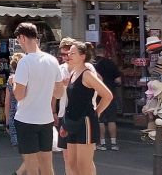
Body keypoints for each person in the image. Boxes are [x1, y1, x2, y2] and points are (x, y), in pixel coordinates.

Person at [12, 23, 64, 175]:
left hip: (26, 119)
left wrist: (15, 82)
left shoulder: (25, 62)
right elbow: (60, 93)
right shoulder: (52, 60)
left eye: (18, 39)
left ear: (22, 38)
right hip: (45, 119)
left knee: (31, 166)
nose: (19, 43)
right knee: (47, 165)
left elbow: (19, 95)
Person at [62, 40, 112, 175]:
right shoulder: (73, 73)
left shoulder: (87, 74)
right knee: (71, 163)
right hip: (72, 122)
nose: (69, 55)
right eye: (68, 53)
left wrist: (96, 113)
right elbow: (71, 101)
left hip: (86, 122)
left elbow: (107, 95)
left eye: (73, 53)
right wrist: (65, 125)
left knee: (84, 165)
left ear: (83, 56)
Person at [92, 46, 121, 150]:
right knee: (111, 119)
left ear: (95, 52)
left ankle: (102, 143)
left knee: (100, 120)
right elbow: (118, 80)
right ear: (105, 52)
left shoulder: (92, 65)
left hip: (98, 95)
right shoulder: (111, 63)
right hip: (110, 94)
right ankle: (114, 143)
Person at [4, 53, 25, 150]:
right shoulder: (28, 79)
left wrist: (7, 121)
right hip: (28, 117)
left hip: (14, 116)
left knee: (20, 150)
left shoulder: (10, 80)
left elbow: (7, 102)